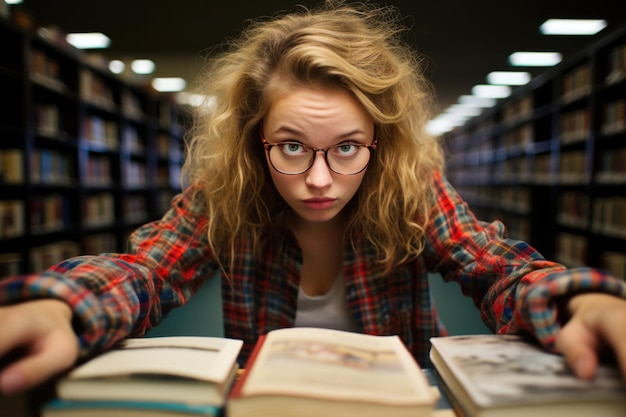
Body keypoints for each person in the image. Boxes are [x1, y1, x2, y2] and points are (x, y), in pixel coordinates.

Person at [1, 0, 626, 396]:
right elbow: (146, 270)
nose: (320, 180)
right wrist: (64, 307)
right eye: (292, 147)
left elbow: (497, 269)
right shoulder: (226, 196)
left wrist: (577, 299)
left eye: (348, 148)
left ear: (381, 143)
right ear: (256, 142)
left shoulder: (409, 189)